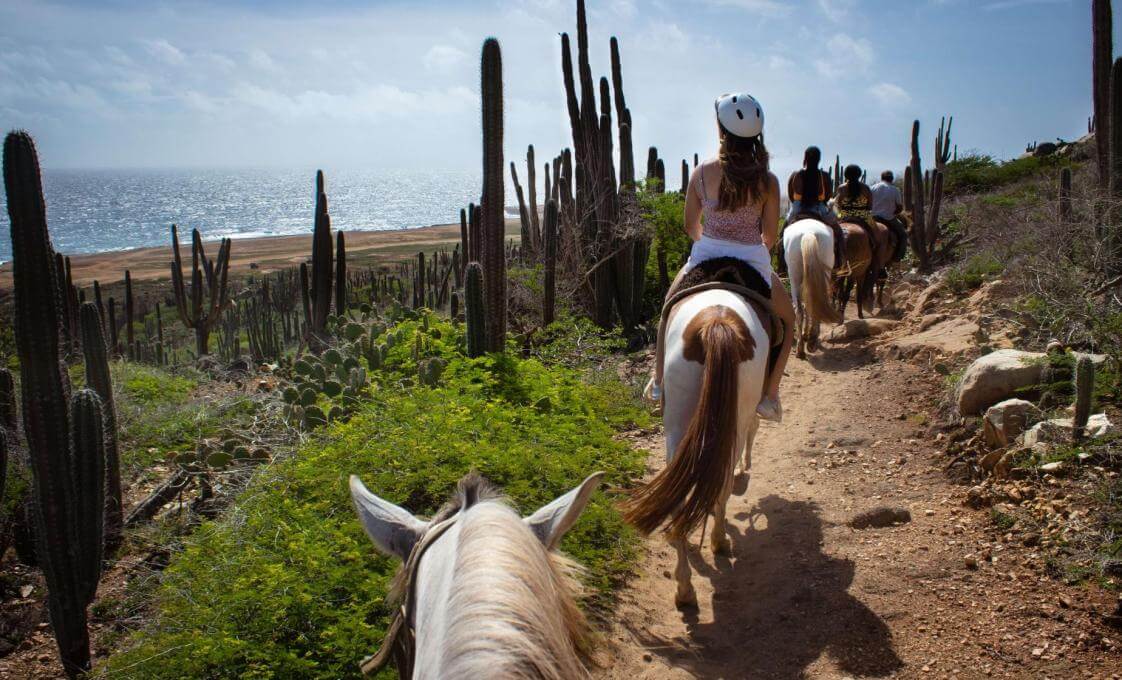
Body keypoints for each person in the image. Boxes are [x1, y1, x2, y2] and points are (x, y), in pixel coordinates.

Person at [646, 92, 795, 422]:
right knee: (789, 321)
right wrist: (752, 248)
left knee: (669, 310)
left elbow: (689, 225)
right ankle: (769, 397)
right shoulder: (768, 181)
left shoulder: (702, 173)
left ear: (720, 129)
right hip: (753, 260)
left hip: (706, 255)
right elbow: (770, 234)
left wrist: (708, 242)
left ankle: (658, 383)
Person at [785, 147, 835, 224]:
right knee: (834, 224)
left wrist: (798, 202)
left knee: (787, 224)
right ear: (818, 159)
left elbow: (791, 195)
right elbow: (829, 195)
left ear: (805, 157)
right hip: (819, 207)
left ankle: (781, 235)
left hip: (798, 207)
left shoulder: (795, 174)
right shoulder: (825, 175)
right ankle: (842, 235)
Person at [870, 170, 909, 261]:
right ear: (891, 179)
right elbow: (899, 207)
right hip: (888, 218)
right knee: (903, 235)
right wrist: (894, 213)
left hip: (872, 218)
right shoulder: (895, 190)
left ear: (882, 178)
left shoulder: (872, 188)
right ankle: (898, 257)